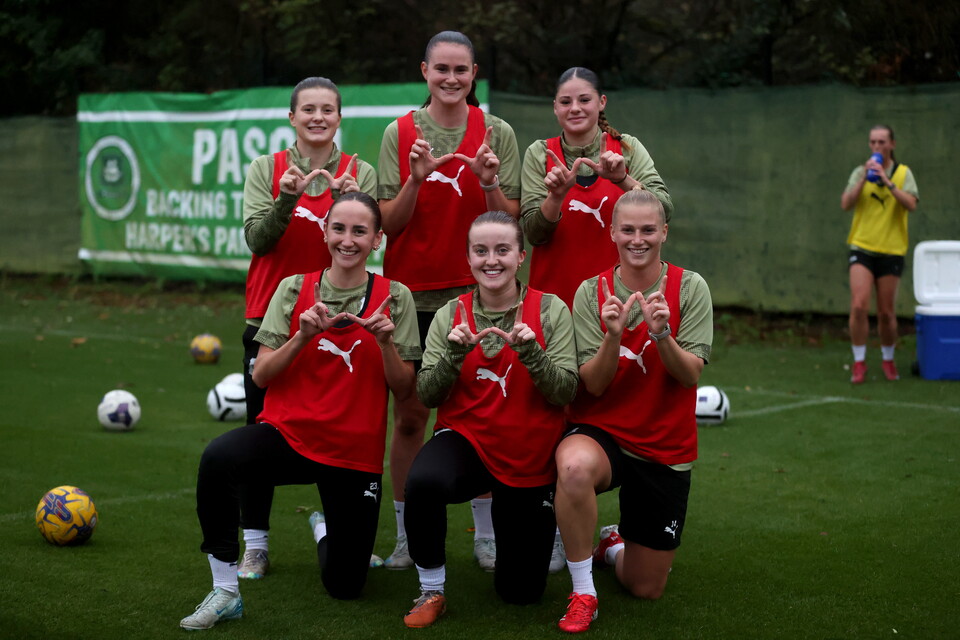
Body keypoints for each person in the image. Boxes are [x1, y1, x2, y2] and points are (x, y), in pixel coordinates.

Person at [179, 193, 419, 630]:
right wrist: (302, 335)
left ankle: (324, 529)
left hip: (352, 453)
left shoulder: (395, 296)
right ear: (324, 231)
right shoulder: (293, 288)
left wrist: (385, 343)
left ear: (377, 239)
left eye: (360, 231)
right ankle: (225, 590)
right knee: (218, 458)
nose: (348, 240)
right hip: (289, 437)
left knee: (347, 587)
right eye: (339, 228)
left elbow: (404, 390)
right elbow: (262, 376)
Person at [377, 30, 522, 571]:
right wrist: (415, 181)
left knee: (481, 415)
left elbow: (510, 219)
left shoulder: (497, 131)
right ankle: (407, 538)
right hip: (411, 295)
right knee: (412, 416)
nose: (452, 79)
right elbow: (387, 223)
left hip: (479, 297)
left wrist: (487, 183)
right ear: (424, 71)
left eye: (461, 70)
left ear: (474, 73)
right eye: (442, 69)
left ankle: (485, 537)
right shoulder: (401, 132)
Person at [400, 211, 578, 628]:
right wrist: (453, 355)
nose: (491, 260)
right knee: (424, 481)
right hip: (469, 442)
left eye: (502, 250)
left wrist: (532, 353)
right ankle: (431, 590)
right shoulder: (451, 314)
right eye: (481, 251)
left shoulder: (550, 310)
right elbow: (426, 393)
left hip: (529, 455)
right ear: (469, 258)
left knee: (521, 594)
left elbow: (566, 393)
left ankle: (589, 540)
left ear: (521, 257)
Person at [553, 189, 713, 633]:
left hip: (664, 445)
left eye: (647, 230)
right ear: (613, 233)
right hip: (603, 432)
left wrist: (663, 336)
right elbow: (594, 384)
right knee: (574, 467)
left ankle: (613, 548)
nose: (637, 239)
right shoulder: (591, 292)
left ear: (664, 232)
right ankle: (583, 590)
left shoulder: (690, 287)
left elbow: (689, 377)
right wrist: (612, 336)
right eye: (628, 230)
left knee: (646, 587)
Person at [238, 77, 378, 579]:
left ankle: (335, 528)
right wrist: (285, 198)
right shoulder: (267, 168)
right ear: (291, 117)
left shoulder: (358, 171)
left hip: (343, 325)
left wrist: (348, 201)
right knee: (261, 433)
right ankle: (254, 544)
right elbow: (258, 239)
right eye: (308, 110)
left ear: (339, 118)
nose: (318, 117)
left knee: (333, 430)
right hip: (271, 321)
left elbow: (365, 243)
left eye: (327, 110)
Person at [520, 66, 673, 309]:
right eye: (565, 101)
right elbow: (534, 234)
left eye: (584, 100)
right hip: (554, 301)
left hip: (617, 299)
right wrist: (556, 196)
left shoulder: (626, 148)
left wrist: (623, 179)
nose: (575, 108)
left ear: (601, 102)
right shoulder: (540, 153)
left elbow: (664, 209)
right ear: (555, 107)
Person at [840, 124, 919, 384]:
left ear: (892, 144)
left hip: (891, 250)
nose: (876, 147)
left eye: (882, 142)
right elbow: (845, 204)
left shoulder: (903, 173)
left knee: (886, 313)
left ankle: (888, 359)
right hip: (862, 247)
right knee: (859, 305)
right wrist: (865, 177)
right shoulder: (860, 172)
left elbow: (911, 204)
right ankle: (859, 362)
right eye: (872, 142)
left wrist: (887, 183)